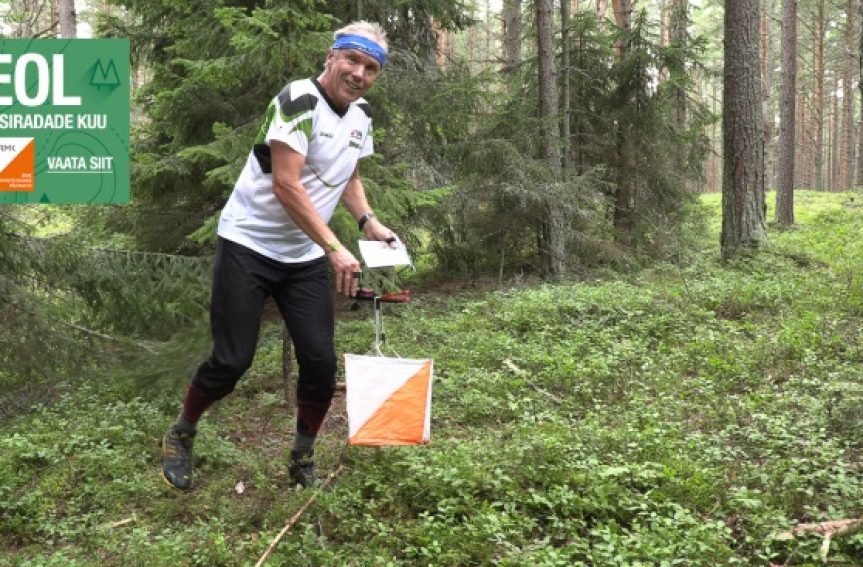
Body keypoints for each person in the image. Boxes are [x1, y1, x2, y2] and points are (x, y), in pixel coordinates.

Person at [161, 21, 396, 490]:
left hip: (303, 254)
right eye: (352, 60)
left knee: (320, 362)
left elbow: (347, 174)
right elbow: (286, 185)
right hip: (248, 243)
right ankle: (181, 433)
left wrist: (367, 220)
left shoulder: (362, 115)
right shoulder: (298, 100)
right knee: (231, 360)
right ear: (331, 56)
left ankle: (301, 459)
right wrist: (334, 247)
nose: (359, 73)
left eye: (370, 68)